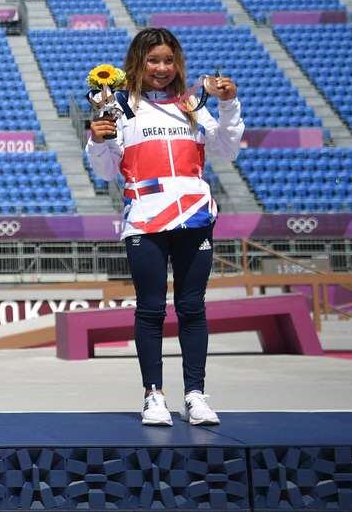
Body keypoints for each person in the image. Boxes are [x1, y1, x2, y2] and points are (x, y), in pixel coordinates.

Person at [86, 27, 241, 427]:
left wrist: (228, 105)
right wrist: (98, 140)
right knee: (151, 309)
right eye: (153, 60)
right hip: (145, 218)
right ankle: (153, 395)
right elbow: (105, 171)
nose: (161, 68)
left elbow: (226, 150)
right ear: (137, 62)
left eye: (168, 60)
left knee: (192, 308)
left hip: (194, 217)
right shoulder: (120, 107)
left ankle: (195, 395)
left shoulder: (193, 104)